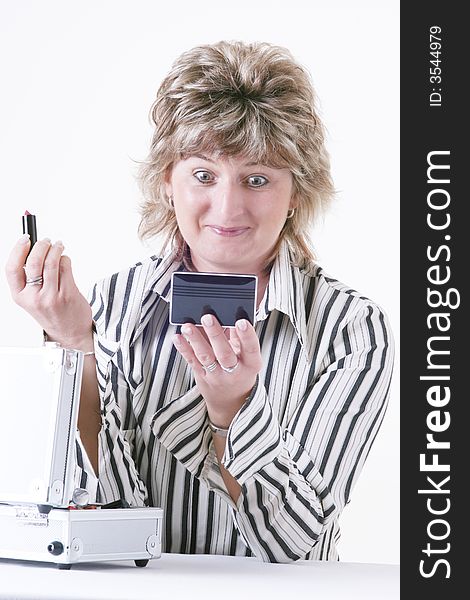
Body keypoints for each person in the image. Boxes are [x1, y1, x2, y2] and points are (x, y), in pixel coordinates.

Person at [5, 40, 394, 563]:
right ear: (168, 180)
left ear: (296, 192)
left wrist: (231, 411)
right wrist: (75, 344)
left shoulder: (352, 330)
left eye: (257, 179)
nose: (228, 206)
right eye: (204, 175)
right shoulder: (113, 306)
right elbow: (103, 520)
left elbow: (291, 544)